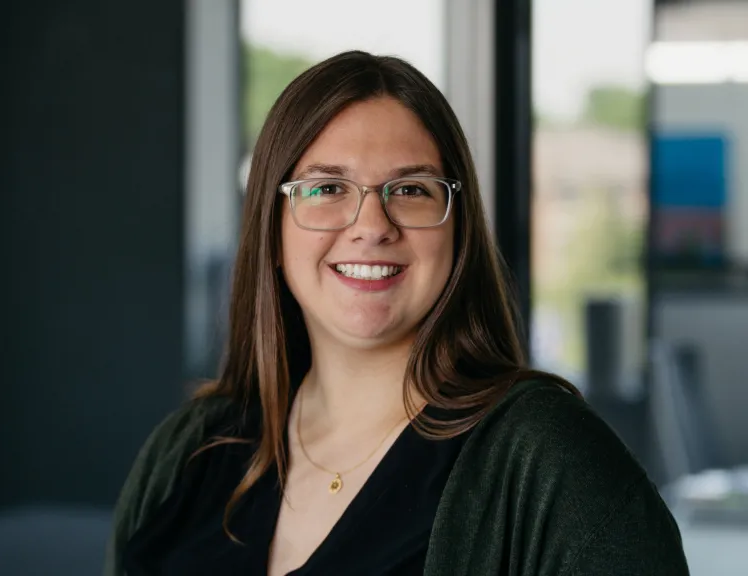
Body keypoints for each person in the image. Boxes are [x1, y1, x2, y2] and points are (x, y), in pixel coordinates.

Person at [105, 51, 689, 575]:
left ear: (457, 233)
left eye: (410, 190)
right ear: (272, 229)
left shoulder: (552, 463)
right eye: (327, 188)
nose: (372, 227)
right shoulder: (190, 449)